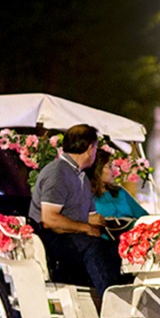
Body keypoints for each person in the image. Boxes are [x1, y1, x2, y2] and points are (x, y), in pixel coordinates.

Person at [28, 124, 121, 296]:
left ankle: (122, 299)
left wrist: (95, 222)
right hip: (51, 238)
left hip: (71, 236)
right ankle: (111, 300)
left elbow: (89, 217)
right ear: (90, 148)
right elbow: (49, 220)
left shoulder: (82, 178)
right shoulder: (58, 172)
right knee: (94, 247)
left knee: (116, 247)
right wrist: (86, 227)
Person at [89, 145, 149, 240]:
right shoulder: (86, 196)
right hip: (104, 245)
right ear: (97, 170)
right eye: (109, 166)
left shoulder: (119, 192)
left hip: (132, 242)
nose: (113, 170)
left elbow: (144, 217)